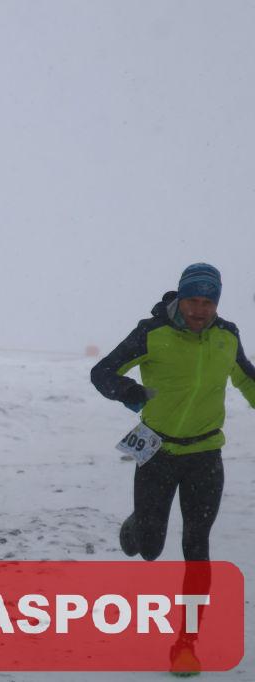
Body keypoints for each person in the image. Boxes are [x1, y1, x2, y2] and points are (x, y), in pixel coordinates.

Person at [90, 263, 255, 675]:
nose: (200, 310)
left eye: (208, 302)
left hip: (205, 455)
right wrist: (129, 391)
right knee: (149, 548)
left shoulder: (227, 336)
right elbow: (102, 371)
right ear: (180, 298)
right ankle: (138, 526)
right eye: (192, 300)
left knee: (197, 547)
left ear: (217, 303)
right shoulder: (152, 333)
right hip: (156, 452)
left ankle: (186, 643)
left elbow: (248, 381)